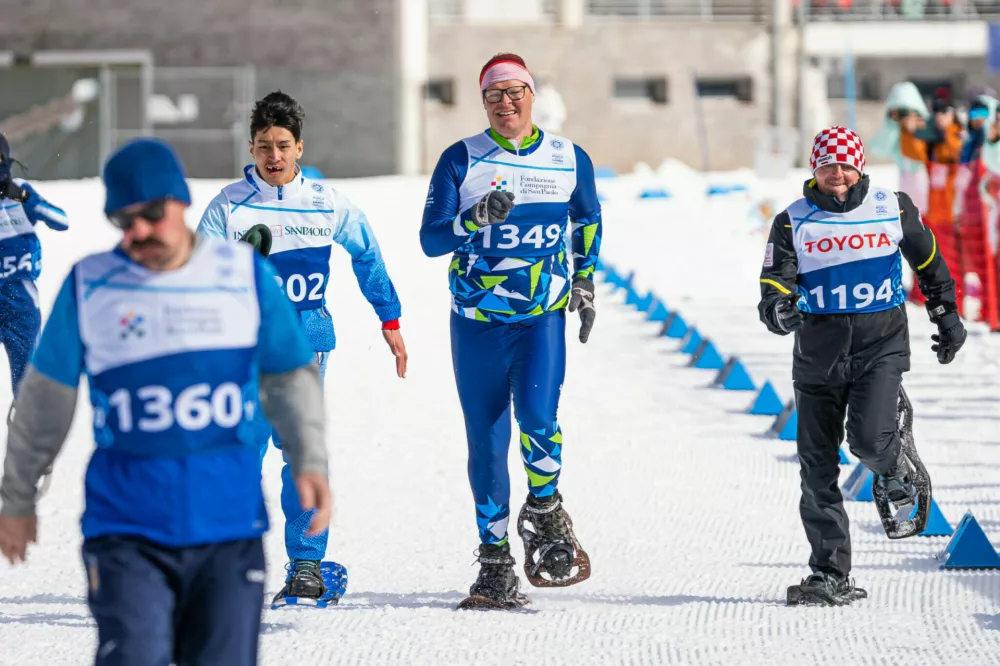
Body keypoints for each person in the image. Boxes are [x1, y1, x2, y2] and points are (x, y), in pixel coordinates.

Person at [0, 138, 331, 664]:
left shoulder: (244, 275)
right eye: (122, 221)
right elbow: (45, 398)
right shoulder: (92, 284)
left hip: (228, 527)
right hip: (125, 530)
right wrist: (17, 495)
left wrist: (309, 458)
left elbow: (291, 376)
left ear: (180, 203)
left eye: (151, 214)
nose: (138, 232)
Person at [196, 90, 405, 606]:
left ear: (299, 148)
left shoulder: (325, 201)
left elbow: (367, 254)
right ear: (251, 148)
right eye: (264, 145)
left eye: (283, 145)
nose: (274, 156)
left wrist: (389, 316)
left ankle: (307, 566)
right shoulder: (227, 207)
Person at [419, 53, 602, 609]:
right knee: (487, 440)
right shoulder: (461, 158)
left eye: (515, 91)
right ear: (483, 102)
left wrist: (585, 281)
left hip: (540, 317)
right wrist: (474, 218)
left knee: (540, 420)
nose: (506, 102)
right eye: (494, 95)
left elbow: (587, 218)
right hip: (477, 322)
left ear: (531, 95)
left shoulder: (567, 157)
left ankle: (545, 510)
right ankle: (494, 559)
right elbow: (430, 239)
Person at [758, 126, 966, 606]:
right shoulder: (792, 221)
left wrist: (946, 314)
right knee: (817, 469)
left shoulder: (892, 207)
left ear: (860, 167)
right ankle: (830, 572)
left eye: (845, 165)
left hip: (880, 347)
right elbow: (774, 285)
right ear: (815, 170)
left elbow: (930, 263)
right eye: (827, 166)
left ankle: (893, 464)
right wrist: (779, 311)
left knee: (869, 442)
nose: (837, 174)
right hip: (818, 358)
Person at [0, 133, 69, 402]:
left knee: (28, 389)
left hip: (21, 306)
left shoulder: (21, 192)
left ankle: (25, 426)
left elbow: (61, 221)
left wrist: (27, 198)